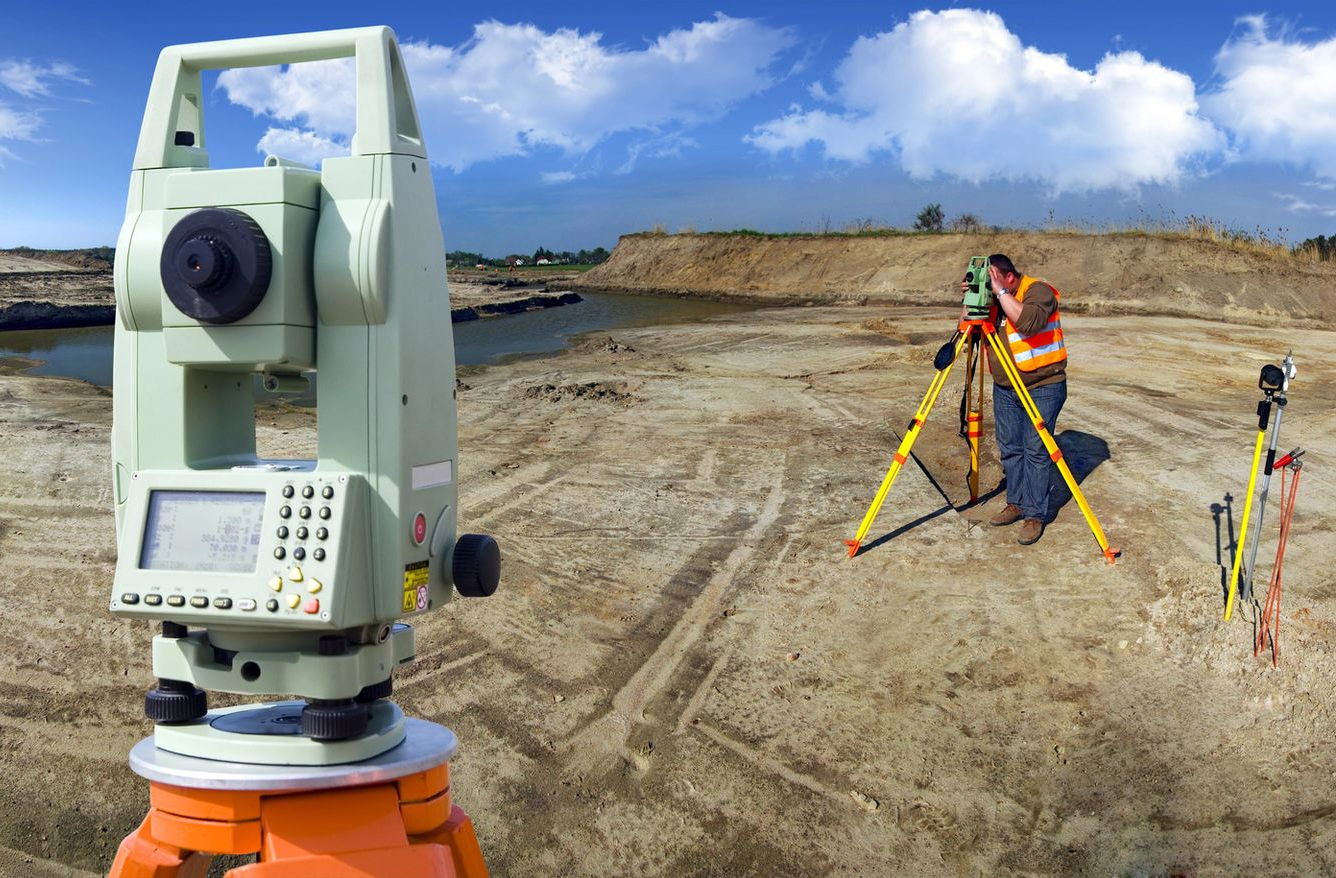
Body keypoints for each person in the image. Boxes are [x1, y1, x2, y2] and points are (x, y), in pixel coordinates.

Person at [963, 254, 1067, 545]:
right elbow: (967, 334)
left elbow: (1028, 323)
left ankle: (1034, 515)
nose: (991, 284)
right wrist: (973, 296)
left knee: (1035, 450)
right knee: (1010, 448)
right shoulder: (994, 298)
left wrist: (999, 292)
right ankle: (1016, 503)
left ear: (1009, 277)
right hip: (1006, 388)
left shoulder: (1038, 291)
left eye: (994, 278)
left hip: (1043, 386)